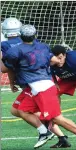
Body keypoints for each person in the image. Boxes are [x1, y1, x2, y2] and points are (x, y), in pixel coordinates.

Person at [4, 24, 76, 150]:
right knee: (21, 110)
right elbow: (55, 61)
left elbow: (4, 68)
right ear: (35, 35)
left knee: (56, 118)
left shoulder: (16, 50)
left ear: (20, 35)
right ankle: (44, 132)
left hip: (43, 88)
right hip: (38, 86)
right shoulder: (43, 46)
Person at [1, 18, 71, 148]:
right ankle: (59, 136)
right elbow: (50, 60)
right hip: (39, 80)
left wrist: (11, 82)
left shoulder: (5, 45)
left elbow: (6, 68)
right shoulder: (34, 42)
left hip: (33, 83)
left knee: (37, 113)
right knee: (16, 110)